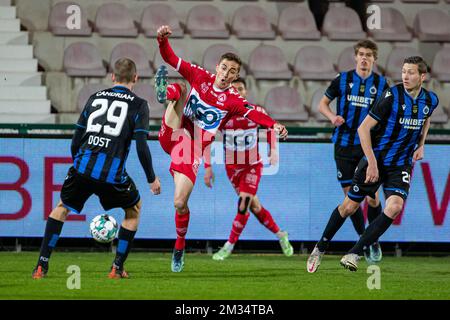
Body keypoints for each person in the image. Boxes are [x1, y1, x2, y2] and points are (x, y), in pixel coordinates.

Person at [155, 25, 288, 272]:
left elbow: (257, 115)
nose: (227, 74)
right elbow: (170, 59)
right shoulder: (199, 75)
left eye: (233, 72)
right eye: (224, 67)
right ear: (217, 67)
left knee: (179, 203)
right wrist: (161, 40)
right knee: (179, 90)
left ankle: (179, 246)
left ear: (236, 77)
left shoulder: (234, 102)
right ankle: (166, 93)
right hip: (173, 133)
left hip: (190, 148)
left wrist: (274, 125)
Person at [32, 58, 161, 279]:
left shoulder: (94, 97)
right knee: (133, 209)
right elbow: (141, 146)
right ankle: (117, 267)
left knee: (61, 207)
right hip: (112, 174)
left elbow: (76, 139)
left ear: (113, 77)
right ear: (136, 78)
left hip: (82, 166)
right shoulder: (139, 105)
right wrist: (152, 178)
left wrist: (79, 165)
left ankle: (41, 265)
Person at [316, 56, 438, 272]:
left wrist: (421, 144)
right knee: (349, 206)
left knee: (395, 206)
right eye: (403, 71)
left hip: (401, 165)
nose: (405, 76)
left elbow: (426, 118)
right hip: (377, 160)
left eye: (410, 72)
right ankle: (320, 247)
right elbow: (363, 128)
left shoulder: (430, 100)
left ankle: (354, 253)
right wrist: (371, 163)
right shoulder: (392, 96)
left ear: (422, 76)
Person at [308, 40, 389, 273]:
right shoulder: (342, 79)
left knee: (373, 199)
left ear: (375, 59)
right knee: (350, 202)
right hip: (343, 146)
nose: (364, 58)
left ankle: (371, 242)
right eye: (361, 54)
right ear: (355, 57)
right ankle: (364, 239)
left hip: (368, 148)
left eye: (369, 55)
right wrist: (332, 117)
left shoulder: (381, 84)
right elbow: (322, 104)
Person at [203, 78, 294, 260]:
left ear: (245, 92)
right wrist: (207, 167)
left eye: (240, 88)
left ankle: (229, 245)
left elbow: (270, 127)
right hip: (232, 169)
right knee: (254, 206)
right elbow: (207, 137)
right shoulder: (222, 114)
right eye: (233, 88)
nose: (237, 91)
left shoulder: (255, 111)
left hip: (252, 165)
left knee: (244, 203)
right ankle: (280, 234)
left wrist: (273, 149)